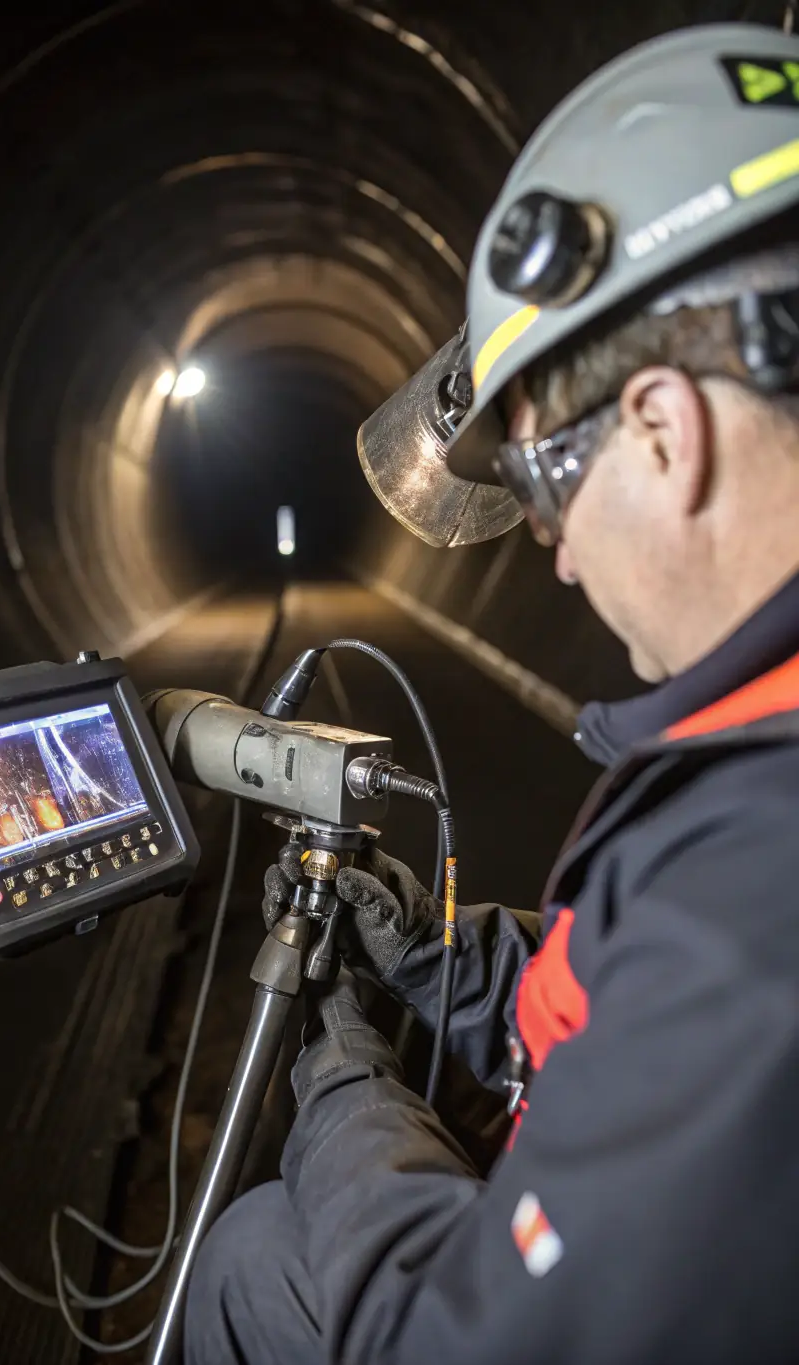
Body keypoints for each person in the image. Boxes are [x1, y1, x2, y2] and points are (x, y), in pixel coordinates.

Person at [185, 22, 799, 1365]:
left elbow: (466, 1342)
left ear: (661, 432)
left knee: (264, 1248)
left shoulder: (763, 885)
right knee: (261, 1253)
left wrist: (345, 1082)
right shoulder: (756, 750)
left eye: (535, 487)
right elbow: (624, 1004)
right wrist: (431, 955)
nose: (552, 549)